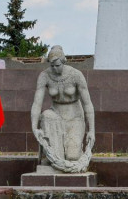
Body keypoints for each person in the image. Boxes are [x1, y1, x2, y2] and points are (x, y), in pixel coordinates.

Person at [30, 45, 95, 173]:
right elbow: (37, 103)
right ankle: (51, 158)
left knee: (73, 157)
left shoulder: (76, 75)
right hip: (55, 115)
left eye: (57, 65)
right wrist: (34, 127)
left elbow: (87, 104)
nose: (54, 68)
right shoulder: (45, 76)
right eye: (52, 66)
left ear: (63, 61)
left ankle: (74, 152)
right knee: (46, 115)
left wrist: (91, 130)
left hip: (75, 117)